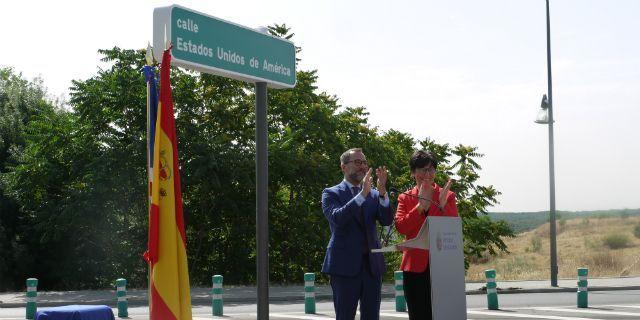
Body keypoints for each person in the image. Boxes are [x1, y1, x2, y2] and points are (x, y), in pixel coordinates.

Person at [321, 148, 393, 320]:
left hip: (371, 267)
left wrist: (382, 191)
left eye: (364, 163)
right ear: (343, 167)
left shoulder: (375, 194)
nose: (362, 167)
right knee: (345, 316)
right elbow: (337, 218)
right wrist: (362, 195)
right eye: (358, 162)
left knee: (371, 316)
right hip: (344, 267)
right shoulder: (330, 193)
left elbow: (386, 219)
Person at [395, 150, 458, 320]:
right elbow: (401, 227)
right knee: (418, 315)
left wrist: (442, 206)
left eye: (431, 169)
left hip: (443, 266)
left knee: (444, 315)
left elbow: (452, 229)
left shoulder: (447, 195)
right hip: (414, 267)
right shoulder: (405, 197)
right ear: (413, 172)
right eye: (422, 169)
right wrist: (420, 207)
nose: (427, 174)